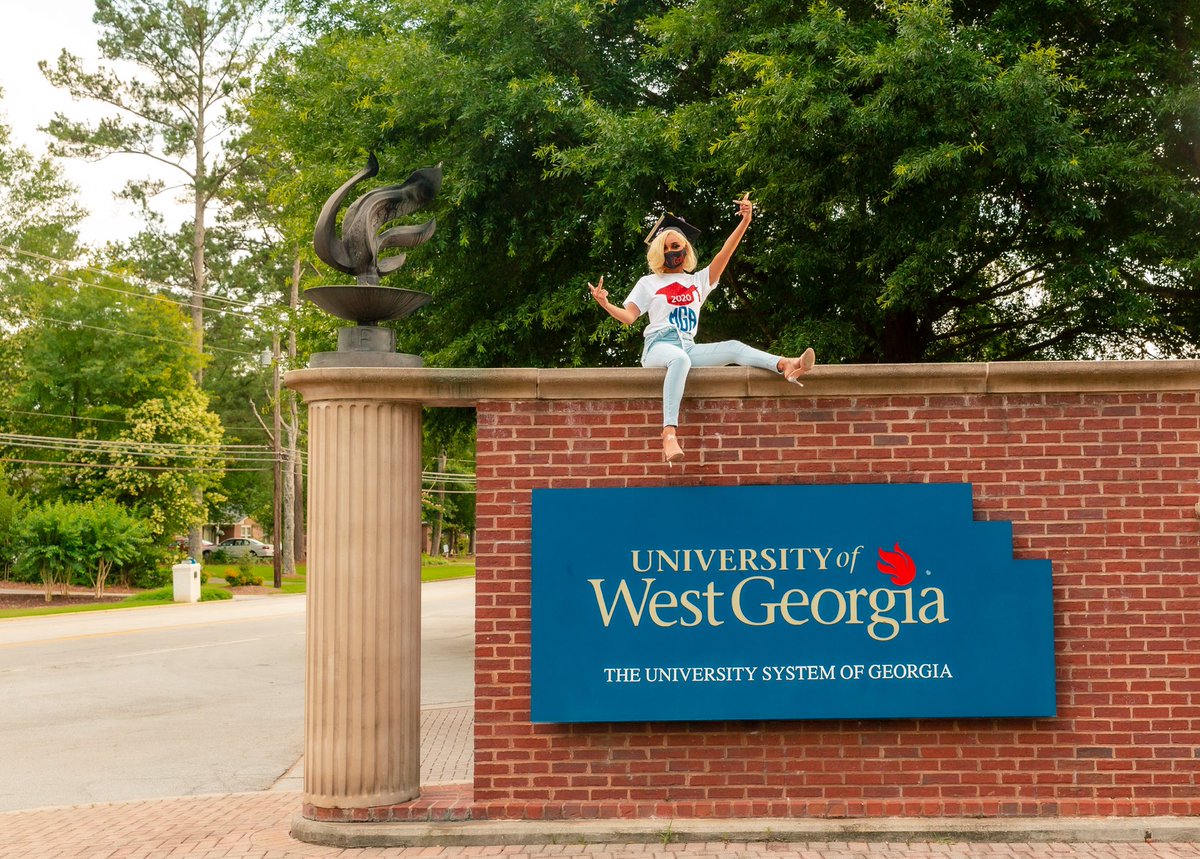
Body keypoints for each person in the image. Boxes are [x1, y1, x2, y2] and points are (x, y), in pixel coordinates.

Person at [589, 194, 816, 464]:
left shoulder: (698, 281)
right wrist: (605, 303)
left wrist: (745, 221)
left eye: (679, 246)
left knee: (732, 347)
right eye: (669, 247)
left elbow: (725, 253)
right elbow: (629, 317)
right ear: (661, 251)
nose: (675, 252)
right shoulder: (649, 282)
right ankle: (669, 433)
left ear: (686, 251)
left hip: (687, 345)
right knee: (679, 358)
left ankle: (785, 365)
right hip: (658, 347)